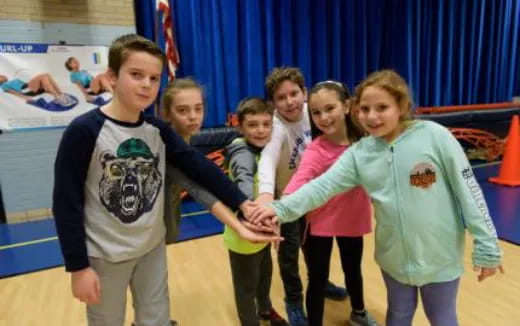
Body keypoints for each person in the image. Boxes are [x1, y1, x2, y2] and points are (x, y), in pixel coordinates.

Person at [251, 70, 504, 326]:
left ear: (402, 106)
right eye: (365, 108)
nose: (372, 116)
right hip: (394, 260)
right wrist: (278, 209)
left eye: (382, 107)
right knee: (398, 316)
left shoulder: (435, 136)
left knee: (442, 317)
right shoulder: (360, 153)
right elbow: (319, 188)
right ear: (356, 110)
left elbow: (469, 191)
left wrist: (487, 246)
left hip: (441, 257)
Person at [52, 34, 273, 326]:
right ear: (111, 77)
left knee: (155, 320)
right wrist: (78, 267)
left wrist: (244, 205)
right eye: (136, 74)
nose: (146, 84)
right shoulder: (83, 131)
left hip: (151, 249)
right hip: (105, 255)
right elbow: (66, 203)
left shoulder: (157, 130)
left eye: (154, 78)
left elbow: (199, 168)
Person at [256, 67, 346, 326]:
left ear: (304, 93)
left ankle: (320, 281)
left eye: (294, 93)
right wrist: (265, 195)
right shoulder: (277, 126)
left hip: (315, 196)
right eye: (281, 98)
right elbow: (268, 160)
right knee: (289, 252)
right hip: (287, 200)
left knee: (316, 245)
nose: (289, 102)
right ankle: (294, 300)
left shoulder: (313, 113)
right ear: (273, 103)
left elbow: (334, 88)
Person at [285, 80, 377, 326]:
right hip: (319, 222)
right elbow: (298, 181)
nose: (323, 117)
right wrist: (279, 208)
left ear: (347, 106)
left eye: (329, 108)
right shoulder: (316, 150)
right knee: (318, 277)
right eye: (316, 112)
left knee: (353, 270)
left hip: (352, 219)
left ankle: (358, 313)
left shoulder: (366, 142)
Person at [224, 97, 289, 326]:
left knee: (264, 277)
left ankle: (265, 309)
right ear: (240, 127)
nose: (260, 130)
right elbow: (243, 180)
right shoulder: (242, 153)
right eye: (252, 125)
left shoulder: (265, 150)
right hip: (244, 235)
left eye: (266, 124)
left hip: (262, 232)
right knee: (246, 287)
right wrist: (249, 213)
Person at [0, 73, 70, 105]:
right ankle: (58, 97)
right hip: (25, 89)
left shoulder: (10, 81)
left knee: (47, 76)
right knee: (43, 76)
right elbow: (12, 92)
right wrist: (25, 98)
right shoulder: (4, 86)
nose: (3, 76)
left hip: (29, 87)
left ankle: (60, 95)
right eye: (0, 76)